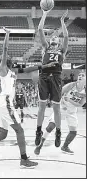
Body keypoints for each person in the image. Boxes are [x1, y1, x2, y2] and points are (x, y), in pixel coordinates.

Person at [0, 27, 38, 168]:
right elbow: (5, 49)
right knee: (20, 130)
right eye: (4, 57)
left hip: (2, 103)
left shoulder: (13, 72)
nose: (7, 57)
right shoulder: (3, 69)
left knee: (2, 134)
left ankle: (24, 159)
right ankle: (24, 159)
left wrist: (41, 66)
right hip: (5, 102)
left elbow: (26, 69)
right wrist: (7, 35)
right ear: (2, 60)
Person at [35, 9, 69, 148]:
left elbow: (66, 37)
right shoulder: (45, 47)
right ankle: (38, 131)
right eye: (53, 36)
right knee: (41, 107)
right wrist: (44, 13)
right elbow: (40, 29)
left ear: (59, 41)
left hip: (56, 77)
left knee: (56, 108)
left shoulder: (62, 50)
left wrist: (62, 22)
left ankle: (59, 132)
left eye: (57, 36)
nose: (54, 36)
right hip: (43, 77)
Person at [34, 70, 86, 155]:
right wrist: (60, 102)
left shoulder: (85, 92)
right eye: (79, 75)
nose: (80, 76)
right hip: (61, 108)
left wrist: (69, 100)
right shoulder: (71, 85)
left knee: (73, 132)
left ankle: (65, 146)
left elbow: (80, 104)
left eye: (83, 75)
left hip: (71, 111)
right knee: (50, 127)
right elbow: (58, 93)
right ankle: (40, 145)